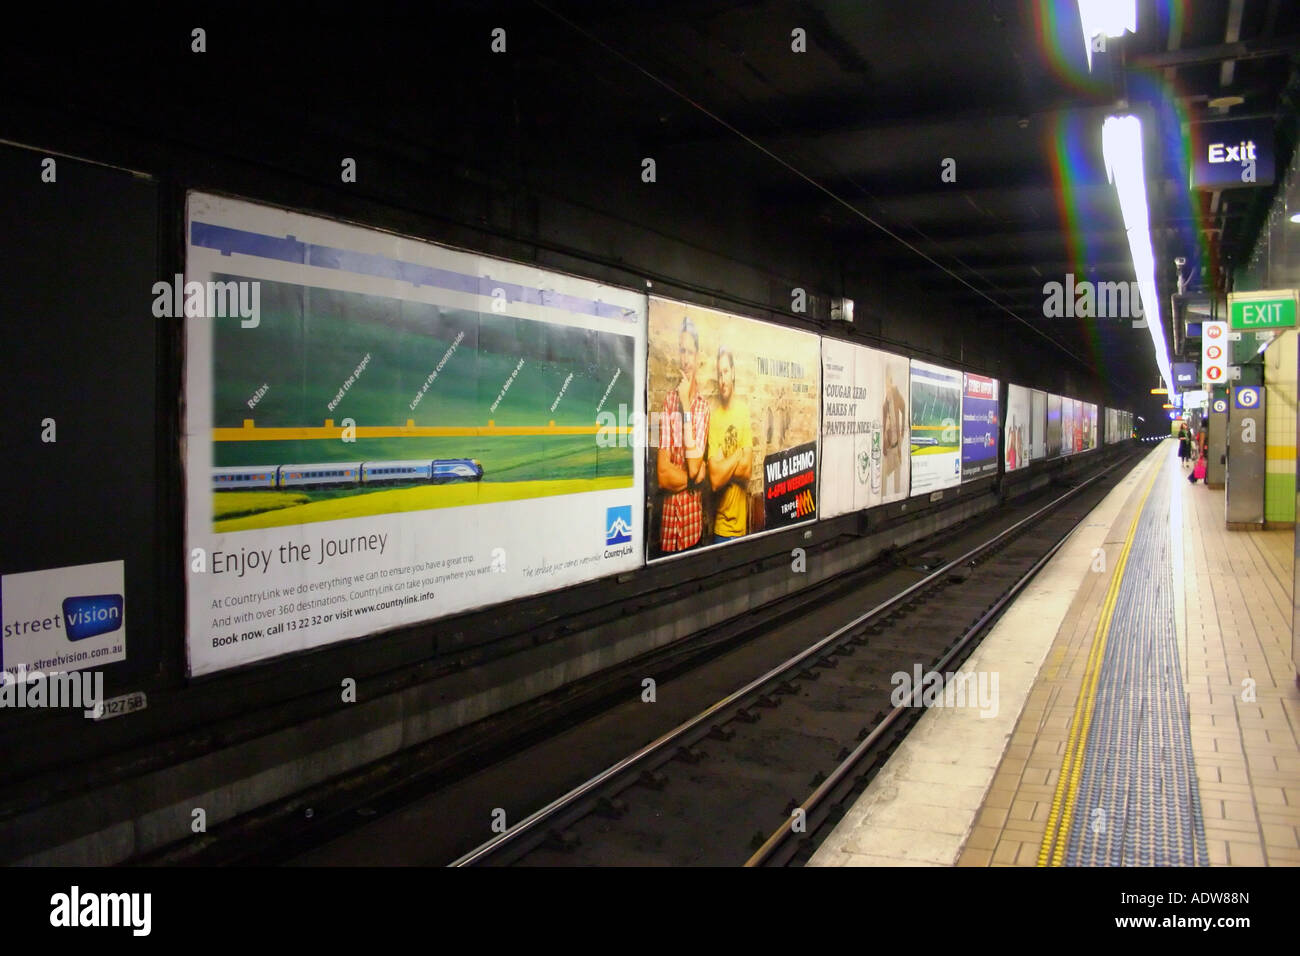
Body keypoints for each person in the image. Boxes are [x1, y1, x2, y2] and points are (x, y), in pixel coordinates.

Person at [656, 317, 710, 552]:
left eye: (690, 352)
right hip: (668, 529)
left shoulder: (702, 408)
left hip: (692, 529)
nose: (685, 359)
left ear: (698, 357)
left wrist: (686, 406)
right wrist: (691, 480)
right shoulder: (668, 402)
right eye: (682, 351)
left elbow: (694, 464)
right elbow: (662, 474)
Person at [707, 346, 752, 540]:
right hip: (721, 529)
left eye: (725, 372)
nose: (722, 379)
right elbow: (715, 481)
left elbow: (747, 470)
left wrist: (723, 464)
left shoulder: (743, 412)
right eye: (719, 374)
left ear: (733, 373)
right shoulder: (714, 419)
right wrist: (737, 455)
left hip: (742, 529)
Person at [881, 366, 906, 495]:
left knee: (897, 468)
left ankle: (897, 494)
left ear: (891, 382)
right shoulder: (885, 401)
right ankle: (883, 497)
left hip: (896, 444)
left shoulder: (896, 395)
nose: (887, 387)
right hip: (888, 445)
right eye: (885, 384)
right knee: (885, 472)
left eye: (888, 383)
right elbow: (883, 421)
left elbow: (904, 408)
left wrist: (902, 433)